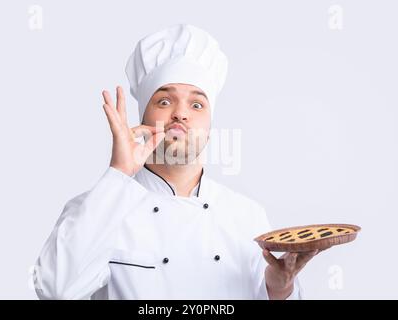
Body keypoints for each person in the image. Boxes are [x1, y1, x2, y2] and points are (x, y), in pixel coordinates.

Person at [34, 23, 320, 300]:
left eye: (196, 104)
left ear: (209, 125)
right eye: (164, 101)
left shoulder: (247, 216)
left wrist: (278, 291)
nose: (180, 114)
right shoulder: (98, 208)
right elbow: (56, 290)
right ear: (143, 118)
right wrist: (119, 173)